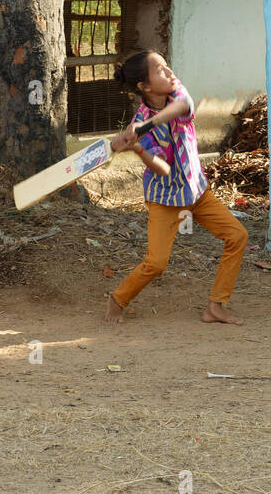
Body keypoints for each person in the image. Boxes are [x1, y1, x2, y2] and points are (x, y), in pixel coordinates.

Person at [105, 49, 248, 326]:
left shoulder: (176, 94)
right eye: (159, 70)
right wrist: (136, 147)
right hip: (164, 199)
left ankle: (215, 306)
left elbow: (182, 107)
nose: (169, 73)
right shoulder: (139, 126)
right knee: (156, 264)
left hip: (196, 191)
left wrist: (144, 127)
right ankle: (117, 299)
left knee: (237, 236)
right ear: (143, 87)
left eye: (166, 66)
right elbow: (163, 169)